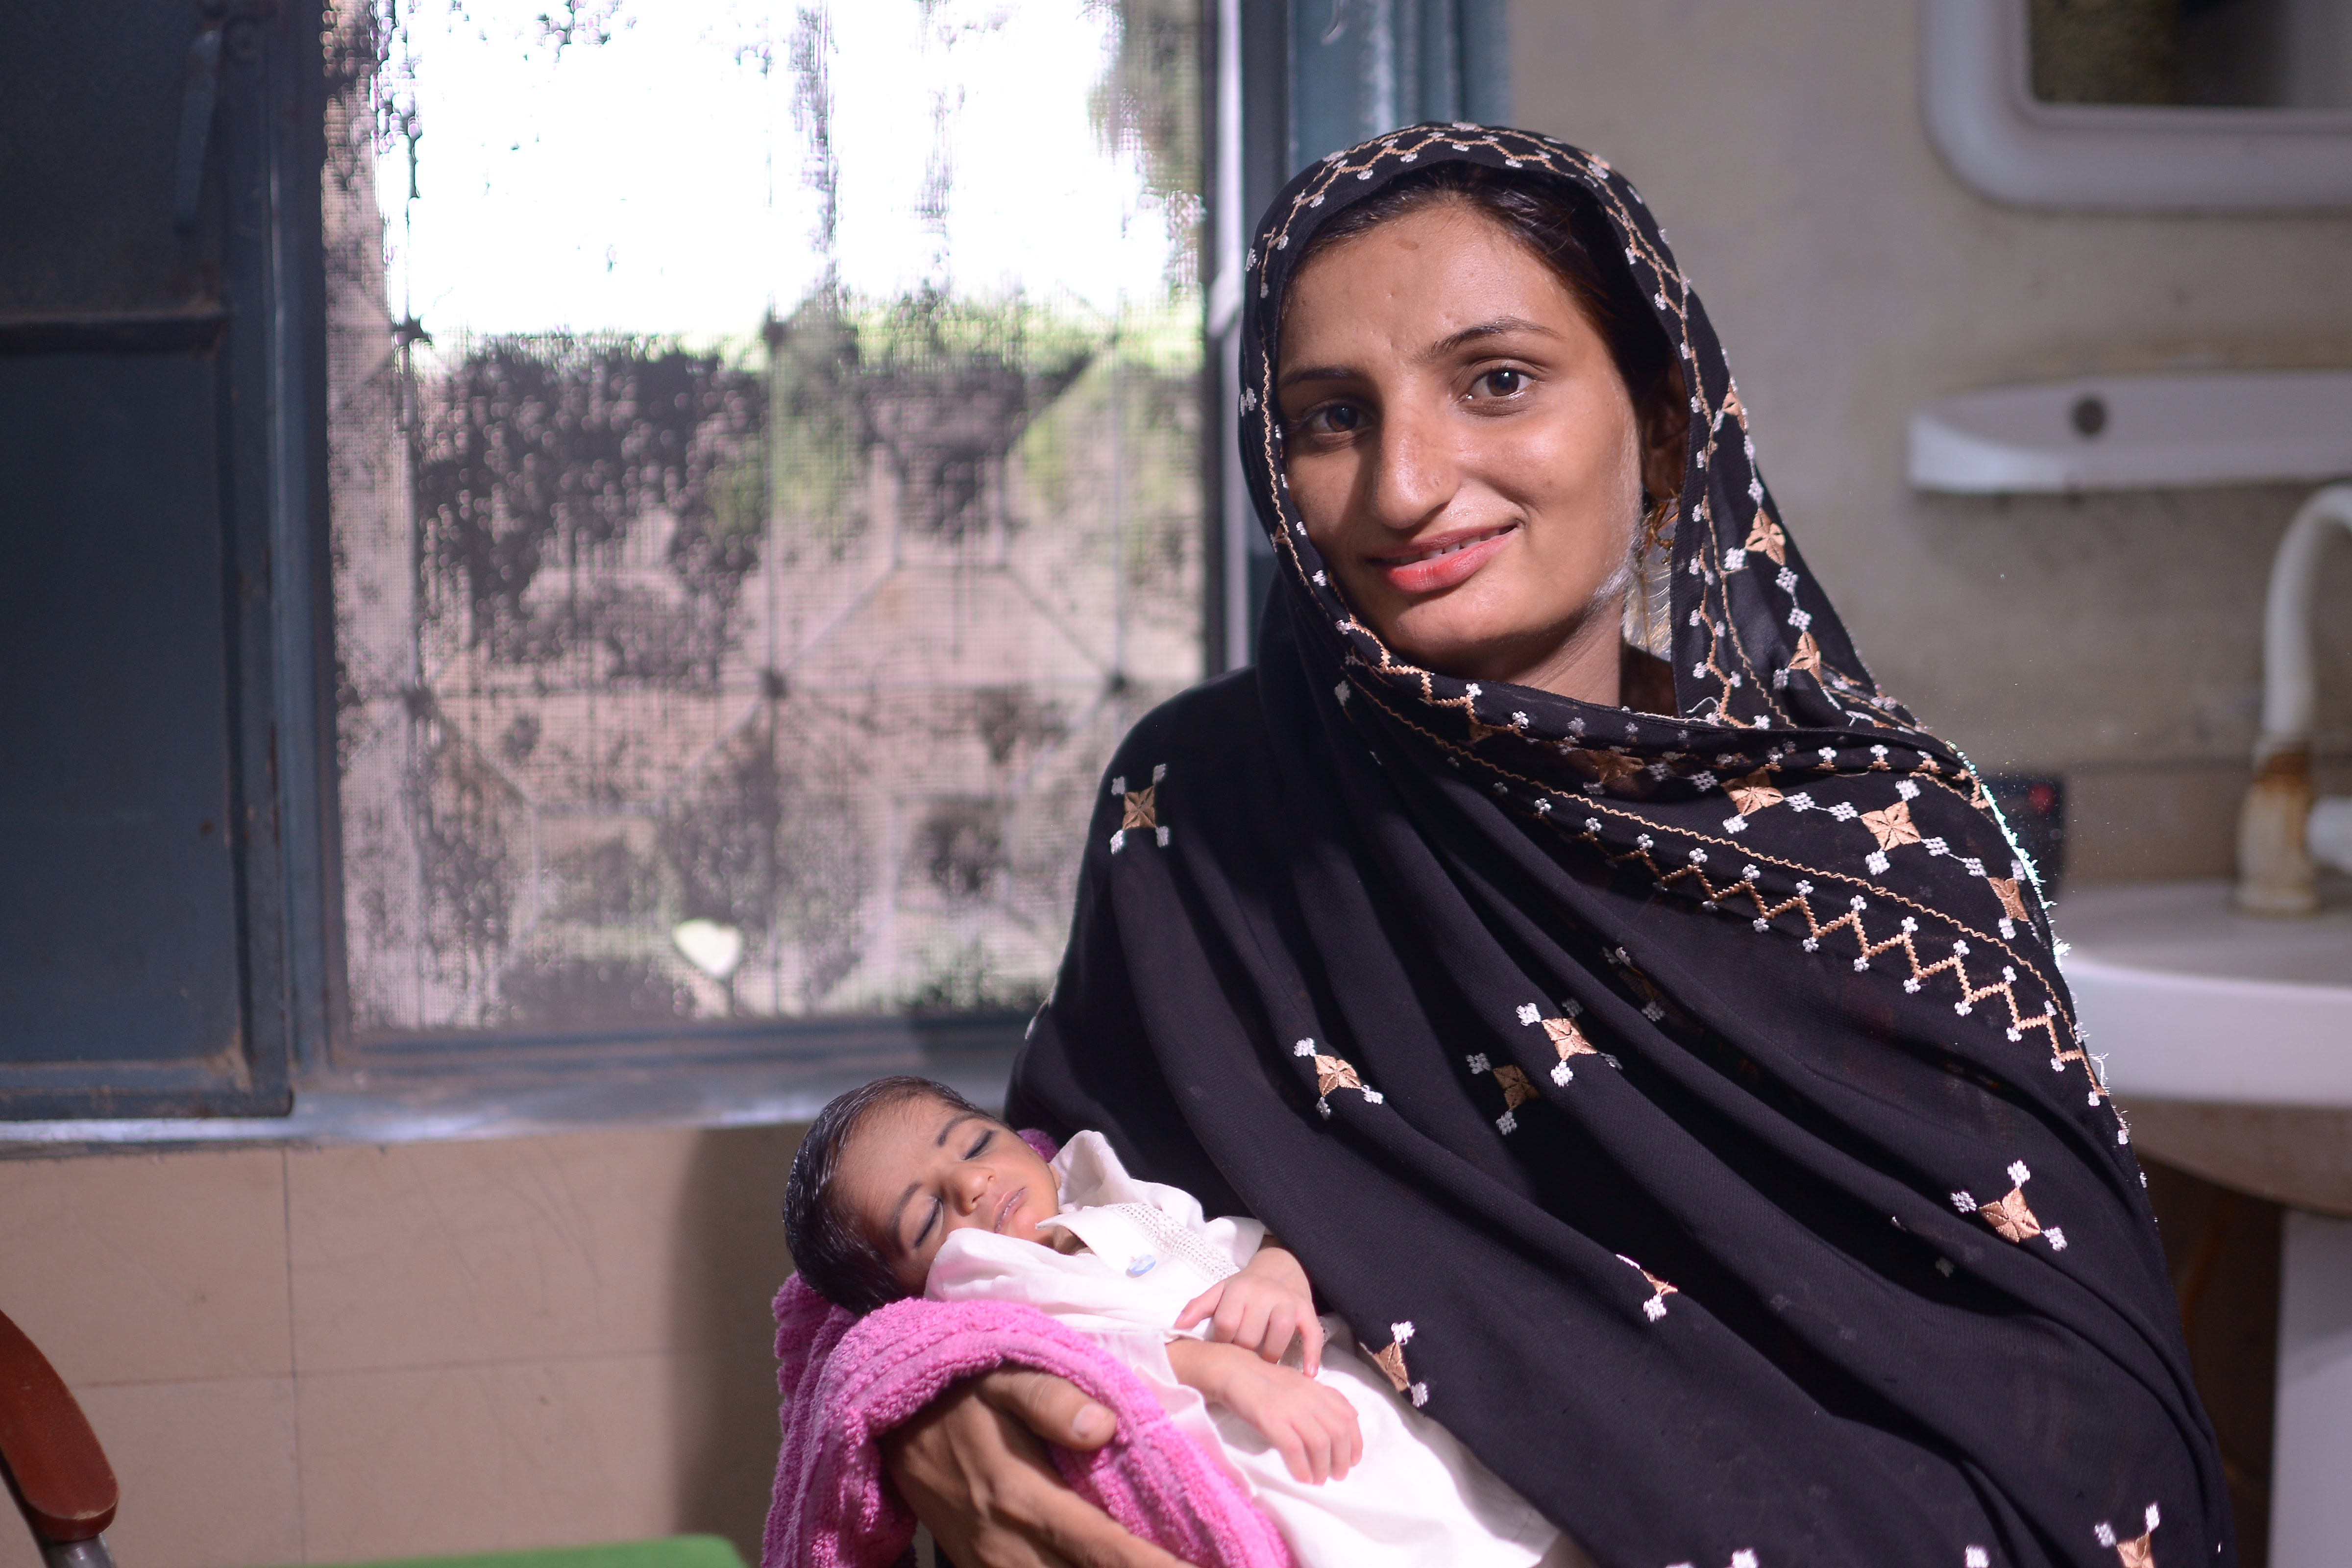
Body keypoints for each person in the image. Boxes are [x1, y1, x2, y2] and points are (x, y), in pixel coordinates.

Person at [861, 124, 2229, 1568]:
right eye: (1330, 415)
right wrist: (913, 1388)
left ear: (1658, 417)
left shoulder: (1881, 856)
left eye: (1497, 381)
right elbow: (1037, 1245)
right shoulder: (1203, 809)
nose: (1404, 485)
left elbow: (2087, 1431)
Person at [781, 1075, 1577, 1567]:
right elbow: (1081, 1360)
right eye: (926, 1218)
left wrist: (1276, 1270)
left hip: (1339, 1388)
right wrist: (1220, 1369)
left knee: (1481, 1504)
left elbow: (1232, 1238)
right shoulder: (987, 1280)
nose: (973, 1183)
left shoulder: (1117, 1192)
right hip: (1261, 1451)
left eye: (974, 1142)